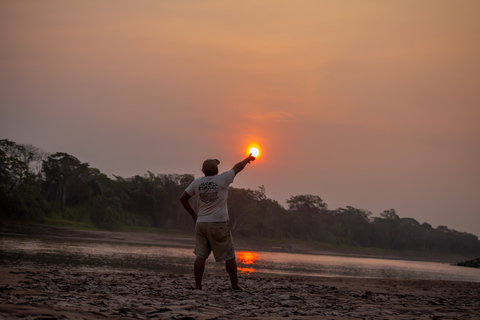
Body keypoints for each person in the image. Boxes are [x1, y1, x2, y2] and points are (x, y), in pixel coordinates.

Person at [179, 154, 255, 290]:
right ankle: (235, 285)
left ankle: (198, 286)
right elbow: (237, 167)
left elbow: (183, 198)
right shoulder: (223, 179)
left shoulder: (197, 183)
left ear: (203, 171)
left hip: (201, 224)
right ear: (216, 170)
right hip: (218, 224)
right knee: (229, 256)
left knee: (201, 255)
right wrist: (247, 159)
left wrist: (193, 215)